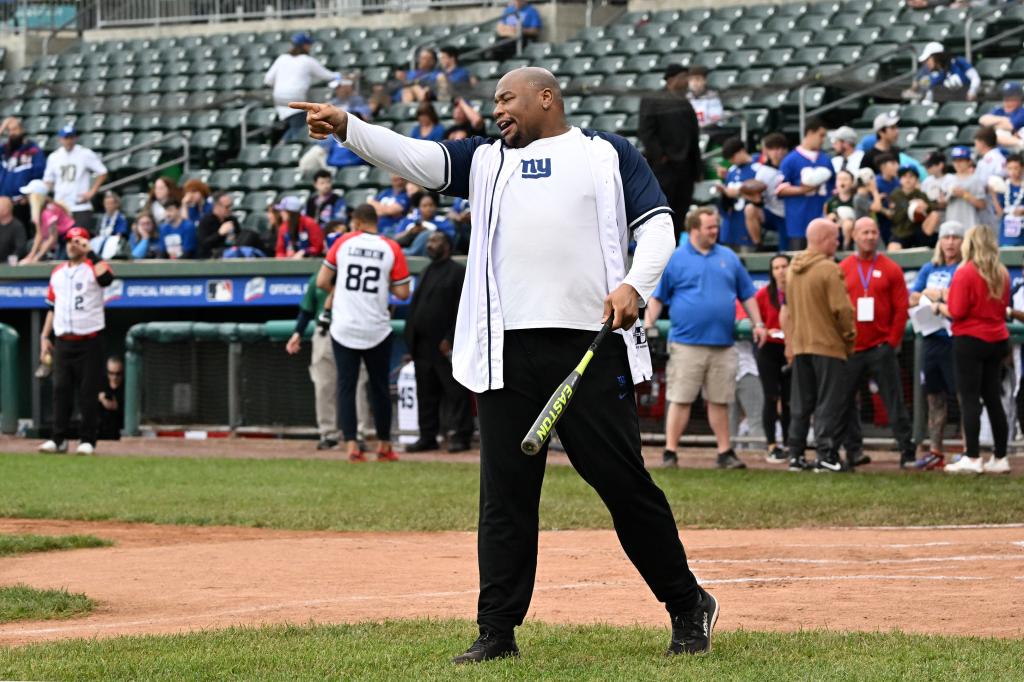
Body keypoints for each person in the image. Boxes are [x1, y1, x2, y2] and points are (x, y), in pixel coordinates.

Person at [291, 65, 721, 661]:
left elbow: (658, 229)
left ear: (547, 98)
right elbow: (417, 156)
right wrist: (348, 128)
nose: (498, 111)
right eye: (495, 102)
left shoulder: (608, 154)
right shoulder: (486, 159)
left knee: (623, 487)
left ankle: (687, 602)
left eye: (507, 99)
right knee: (505, 497)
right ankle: (497, 631)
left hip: (591, 346)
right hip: (502, 350)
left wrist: (635, 285)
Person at [645, 206, 767, 470]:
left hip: (723, 344)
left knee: (720, 400)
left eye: (716, 226)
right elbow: (658, 297)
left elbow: (747, 294)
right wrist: (647, 324)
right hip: (686, 343)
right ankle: (670, 451)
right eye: (710, 227)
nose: (715, 231)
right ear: (694, 230)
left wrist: (758, 323)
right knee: (680, 398)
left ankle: (725, 452)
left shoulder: (729, 257)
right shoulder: (676, 258)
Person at [316, 204, 409, 463]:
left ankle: (352, 446)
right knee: (379, 388)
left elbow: (322, 282)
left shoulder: (343, 243)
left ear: (356, 222)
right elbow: (403, 293)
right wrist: (384, 281)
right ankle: (384, 445)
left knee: (346, 386)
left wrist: (342, 288)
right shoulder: (391, 247)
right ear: (374, 221)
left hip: (344, 326)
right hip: (376, 327)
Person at [838, 217, 915, 470]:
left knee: (894, 400)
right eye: (864, 232)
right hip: (851, 347)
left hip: (881, 347)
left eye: (873, 232)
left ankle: (906, 450)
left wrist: (891, 342)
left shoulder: (891, 268)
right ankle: (853, 451)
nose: (869, 237)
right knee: (846, 401)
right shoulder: (844, 267)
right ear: (855, 235)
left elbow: (901, 307)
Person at [782, 218, 856, 472]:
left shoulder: (792, 268)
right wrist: (849, 337)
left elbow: (788, 310)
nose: (837, 243)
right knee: (829, 402)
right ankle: (826, 455)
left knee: (801, 403)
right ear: (824, 239)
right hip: (828, 346)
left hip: (801, 345)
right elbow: (842, 310)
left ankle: (795, 454)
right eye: (835, 238)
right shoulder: (828, 268)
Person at [935, 226, 1010, 474]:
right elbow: (1001, 309)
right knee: (993, 399)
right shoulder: (1002, 272)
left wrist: (936, 306)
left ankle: (973, 456)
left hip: (970, 340)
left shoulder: (965, 272)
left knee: (969, 399)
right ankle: (1000, 457)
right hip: (997, 339)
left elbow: (956, 312)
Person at [38, 227, 114, 455]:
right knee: (60, 389)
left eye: (78, 241)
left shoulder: (93, 267)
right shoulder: (59, 272)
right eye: (70, 241)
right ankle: (58, 439)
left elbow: (108, 278)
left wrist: (90, 252)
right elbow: (52, 307)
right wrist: (44, 336)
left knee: (88, 392)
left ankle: (87, 440)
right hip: (63, 340)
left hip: (89, 339)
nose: (73, 245)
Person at [404, 231, 474, 453]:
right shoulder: (425, 271)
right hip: (423, 346)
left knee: (455, 393)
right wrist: (411, 342)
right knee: (426, 394)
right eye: (429, 241)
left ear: (447, 246)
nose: (430, 244)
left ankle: (460, 436)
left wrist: (451, 338)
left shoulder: (458, 272)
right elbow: (415, 309)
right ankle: (428, 436)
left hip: (446, 346)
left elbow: (464, 309)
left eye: (436, 241)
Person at [909, 220, 964, 470]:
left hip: (956, 339)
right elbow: (913, 296)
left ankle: (968, 449)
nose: (950, 242)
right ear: (939, 241)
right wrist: (929, 295)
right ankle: (935, 450)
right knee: (934, 396)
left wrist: (938, 294)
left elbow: (958, 298)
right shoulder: (929, 268)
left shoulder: (964, 268)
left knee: (964, 396)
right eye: (946, 237)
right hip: (931, 337)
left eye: (955, 237)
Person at [637, 64, 702, 242]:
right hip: (664, 167)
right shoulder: (652, 99)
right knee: (663, 211)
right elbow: (646, 132)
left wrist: (697, 169)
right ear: (673, 79)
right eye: (684, 78)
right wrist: (660, 157)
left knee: (681, 209)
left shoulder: (685, 102)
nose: (687, 82)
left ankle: (674, 246)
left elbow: (693, 137)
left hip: (685, 167)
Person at [285, 271, 339, 450]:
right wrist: (297, 332)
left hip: (353, 330)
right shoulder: (318, 277)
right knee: (324, 385)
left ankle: (359, 434)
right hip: (326, 332)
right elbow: (307, 310)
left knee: (358, 384)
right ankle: (328, 434)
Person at [265, 32, 340, 144]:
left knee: (296, 126)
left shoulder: (282, 58)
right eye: (309, 44)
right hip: (295, 99)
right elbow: (327, 75)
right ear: (305, 45)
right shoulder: (307, 60)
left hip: (279, 99)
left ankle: (281, 146)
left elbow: (268, 80)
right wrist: (339, 75)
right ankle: (284, 147)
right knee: (298, 130)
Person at [755, 254, 791, 463]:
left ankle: (789, 443)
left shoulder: (797, 291)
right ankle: (771, 445)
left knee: (790, 398)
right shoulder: (763, 294)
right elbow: (751, 315)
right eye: (776, 267)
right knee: (771, 397)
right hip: (768, 349)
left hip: (791, 349)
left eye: (784, 266)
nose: (781, 271)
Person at [777, 116, 834, 250]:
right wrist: (803, 190)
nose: (823, 140)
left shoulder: (826, 159)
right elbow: (780, 189)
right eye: (821, 135)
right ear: (810, 133)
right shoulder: (790, 160)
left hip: (822, 218)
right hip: (799, 221)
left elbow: (833, 188)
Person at [42, 124, 108, 230]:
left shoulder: (85, 153)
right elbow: (48, 180)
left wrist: (92, 192)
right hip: (61, 205)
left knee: (78, 238)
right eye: (66, 138)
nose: (69, 141)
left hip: (80, 205)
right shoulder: (54, 157)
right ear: (60, 139)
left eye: (71, 137)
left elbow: (102, 172)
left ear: (76, 138)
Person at [716, 137, 761, 251]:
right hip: (731, 221)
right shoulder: (731, 170)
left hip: (746, 222)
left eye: (732, 157)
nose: (731, 161)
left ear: (741, 151)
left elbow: (759, 197)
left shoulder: (757, 168)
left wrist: (738, 193)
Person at [0, 116, 46, 226]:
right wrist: (2, 128)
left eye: (15, 129)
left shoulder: (33, 150)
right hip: (4, 203)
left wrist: (29, 196)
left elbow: (39, 175)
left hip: (22, 204)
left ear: (22, 130)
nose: (12, 133)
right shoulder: (4, 150)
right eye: (9, 130)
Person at [18, 179, 74, 264]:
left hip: (71, 240)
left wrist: (37, 258)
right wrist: (30, 257)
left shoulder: (48, 211)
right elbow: (39, 235)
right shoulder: (40, 210)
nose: (27, 197)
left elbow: (52, 238)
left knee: (60, 264)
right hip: (62, 240)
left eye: (29, 195)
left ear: (35, 196)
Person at [912, 42, 981, 103]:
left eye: (928, 59)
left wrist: (972, 91)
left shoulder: (959, 63)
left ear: (937, 56)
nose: (926, 63)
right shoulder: (936, 75)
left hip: (966, 102)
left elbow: (975, 78)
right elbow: (928, 86)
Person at [888, 165, 937, 249]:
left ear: (916, 179)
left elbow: (932, 207)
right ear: (900, 179)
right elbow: (895, 218)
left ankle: (925, 243)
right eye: (904, 176)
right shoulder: (895, 195)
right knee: (893, 247)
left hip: (918, 231)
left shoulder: (920, 194)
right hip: (901, 231)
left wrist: (925, 207)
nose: (908, 179)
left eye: (911, 176)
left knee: (934, 215)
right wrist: (911, 208)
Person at [394, 192, 455, 256]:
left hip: (431, 253)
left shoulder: (442, 221)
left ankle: (408, 252)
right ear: (419, 207)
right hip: (407, 245)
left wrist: (428, 230)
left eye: (431, 205)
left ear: (436, 206)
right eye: (424, 206)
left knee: (428, 233)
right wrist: (410, 232)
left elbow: (450, 240)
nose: (428, 208)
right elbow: (396, 238)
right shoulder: (409, 219)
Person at [946, 146, 988, 229]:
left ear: (969, 162)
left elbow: (982, 205)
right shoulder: (948, 178)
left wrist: (964, 195)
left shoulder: (975, 179)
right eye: (955, 161)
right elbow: (942, 203)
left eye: (961, 160)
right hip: (951, 223)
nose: (957, 164)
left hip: (970, 223)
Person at [979, 81, 1024, 149]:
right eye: (1005, 98)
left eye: (1010, 98)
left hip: (1016, 147)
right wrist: (1004, 119)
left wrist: (993, 125)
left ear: (1019, 98)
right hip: (999, 147)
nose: (1006, 101)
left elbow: (1010, 126)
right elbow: (982, 120)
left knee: (997, 133)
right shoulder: (1000, 110)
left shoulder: (1021, 111)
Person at [196, 191, 238, 259]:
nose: (230, 209)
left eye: (231, 206)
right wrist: (219, 233)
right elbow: (203, 244)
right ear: (216, 206)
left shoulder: (232, 219)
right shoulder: (206, 221)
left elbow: (238, 237)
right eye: (227, 207)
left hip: (231, 255)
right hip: (211, 258)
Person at [993, 154, 1024, 246]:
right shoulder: (1002, 187)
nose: (1013, 172)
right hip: (1006, 235)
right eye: (1009, 168)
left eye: (1016, 168)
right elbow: (999, 213)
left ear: (1022, 168)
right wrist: (994, 195)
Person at [826, 169, 858, 248]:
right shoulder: (831, 202)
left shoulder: (857, 200)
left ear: (852, 182)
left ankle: (846, 248)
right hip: (836, 233)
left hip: (853, 233)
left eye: (845, 179)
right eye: (839, 179)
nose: (842, 182)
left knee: (847, 224)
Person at [97, 356, 124, 441]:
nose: (114, 377)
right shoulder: (101, 383)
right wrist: (101, 399)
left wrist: (117, 407)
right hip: (100, 429)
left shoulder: (127, 387)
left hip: (120, 430)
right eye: (111, 373)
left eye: (118, 374)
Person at [0, 196, 26, 264]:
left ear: (6, 209)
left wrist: (11, 259)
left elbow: (20, 248)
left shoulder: (17, 226)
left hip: (9, 264)